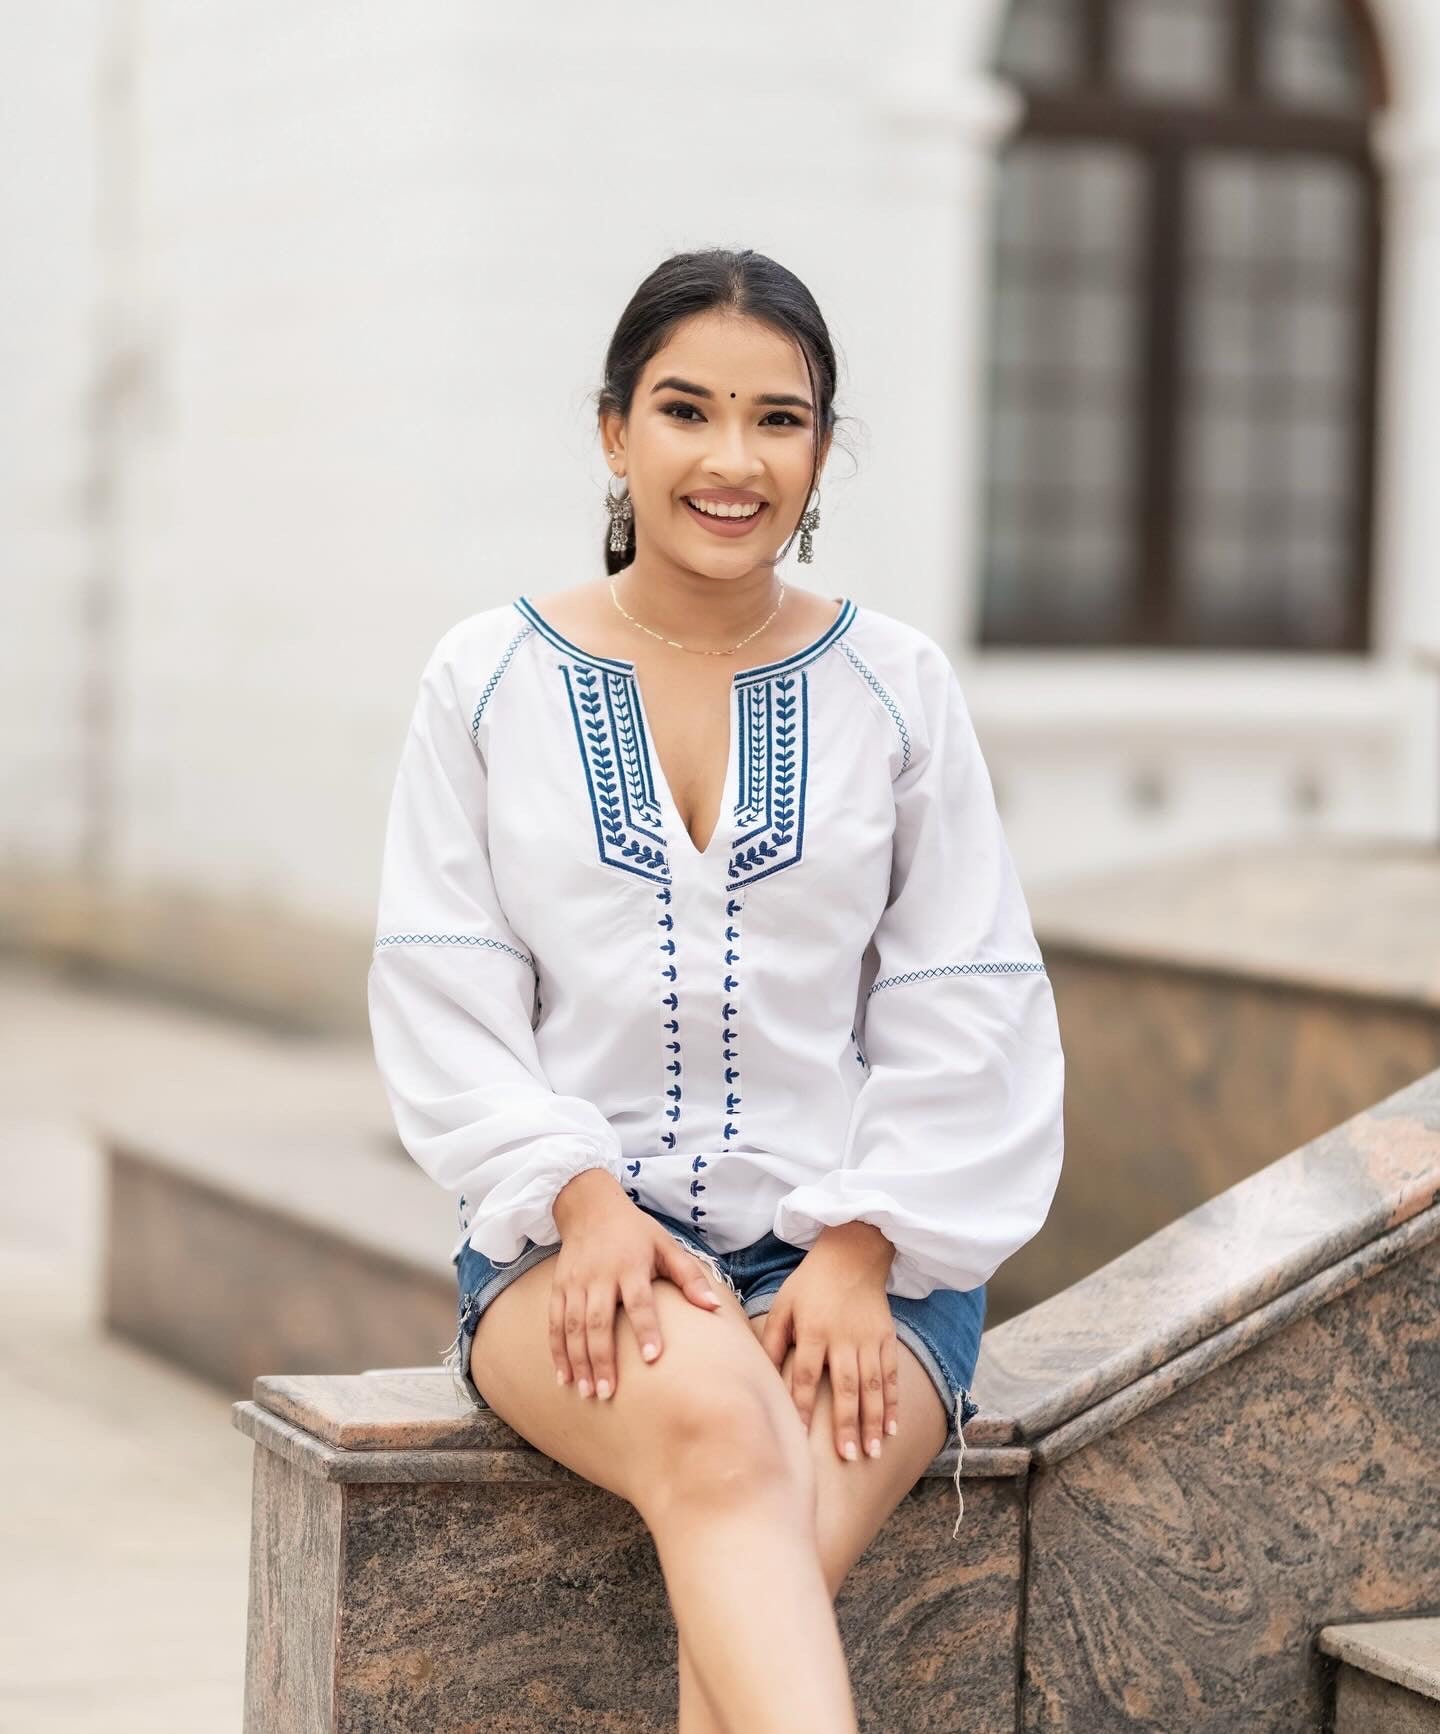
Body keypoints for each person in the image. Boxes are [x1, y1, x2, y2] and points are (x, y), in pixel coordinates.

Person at [367, 247, 1065, 1734]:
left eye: (781, 419)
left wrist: (868, 1245)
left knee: (739, 1610)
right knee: (715, 1424)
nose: (735, 460)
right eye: (688, 410)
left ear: (822, 449)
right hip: (575, 1248)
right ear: (615, 431)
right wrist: (581, 1198)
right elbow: (443, 990)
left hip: (863, 1260)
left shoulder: (898, 683)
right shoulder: (488, 677)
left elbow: (970, 992)